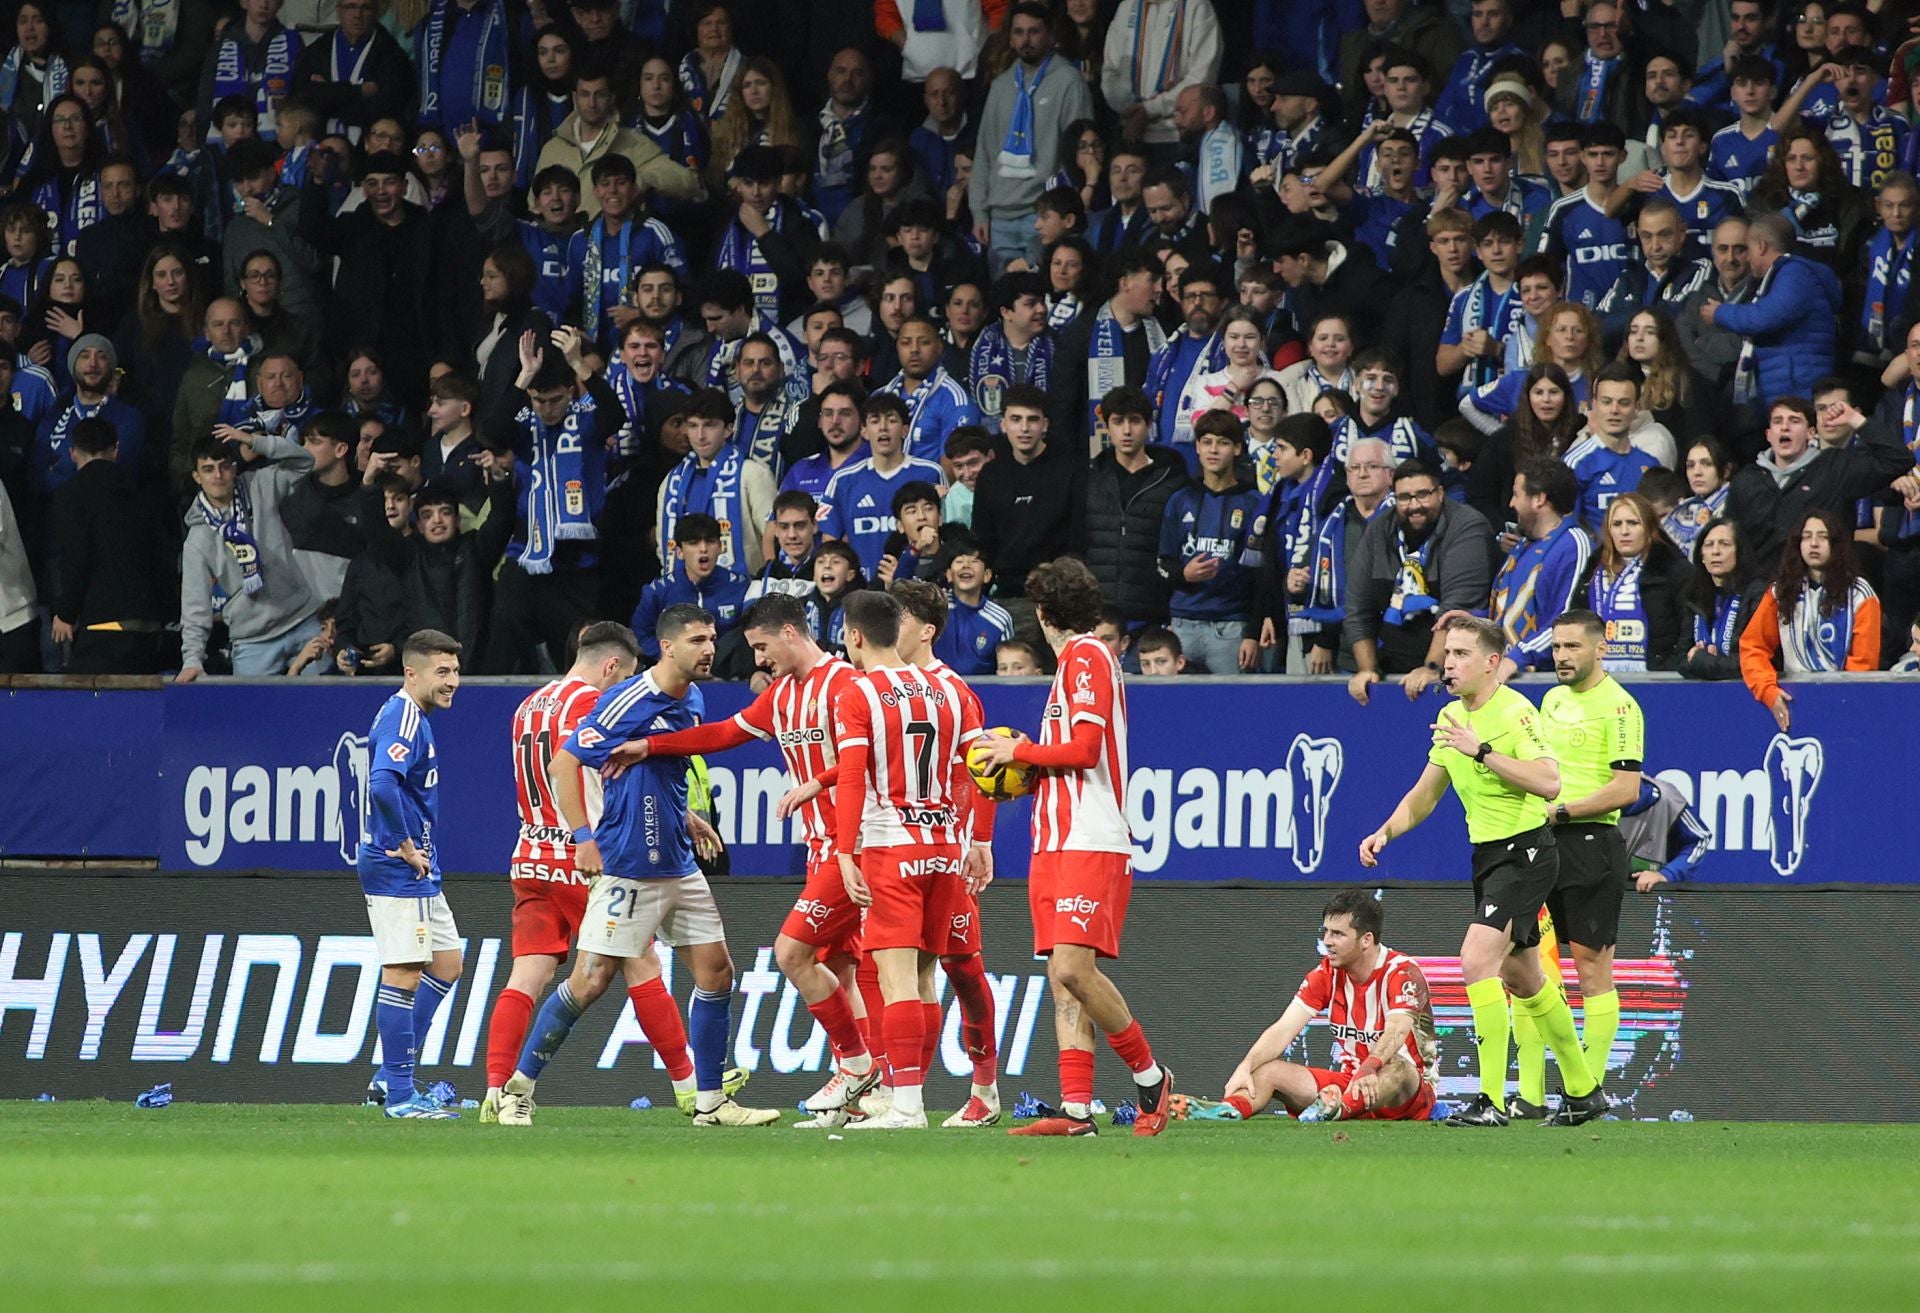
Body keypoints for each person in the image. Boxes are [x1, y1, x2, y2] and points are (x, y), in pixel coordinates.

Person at [604, 595, 885, 1122]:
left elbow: (866, 761)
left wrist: (815, 784)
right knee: (840, 969)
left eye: (760, 646)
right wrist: (653, 747)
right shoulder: (783, 696)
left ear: (789, 632)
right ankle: (867, 1096)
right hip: (821, 846)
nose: (756, 659)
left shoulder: (848, 685)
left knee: (792, 953)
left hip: (859, 844)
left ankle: (858, 1066)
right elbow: (724, 734)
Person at [497, 604, 778, 1128]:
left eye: (712, 638)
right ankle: (518, 1088)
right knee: (590, 980)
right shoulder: (624, 698)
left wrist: (688, 816)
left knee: (717, 972)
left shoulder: (692, 698)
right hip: (628, 866)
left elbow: (659, 768)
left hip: (679, 862)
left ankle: (711, 1102)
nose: (710, 649)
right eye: (697, 640)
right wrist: (583, 838)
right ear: (667, 646)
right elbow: (564, 764)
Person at [1357, 614, 1606, 1128]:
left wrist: (1483, 751)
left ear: (1492, 663)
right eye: (1447, 653)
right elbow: (1424, 796)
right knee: (1526, 978)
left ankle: (1492, 1101)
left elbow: (1549, 782)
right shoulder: (1453, 715)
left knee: (1475, 960)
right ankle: (1584, 1092)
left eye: (1462, 654)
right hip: (1489, 858)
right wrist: (1386, 831)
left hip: (1527, 853)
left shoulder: (1515, 712)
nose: (1449, 663)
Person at [972, 556, 1173, 1137]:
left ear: (1041, 614)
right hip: (1056, 837)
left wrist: (1020, 754)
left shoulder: (1086, 657)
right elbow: (1067, 757)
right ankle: (1077, 1109)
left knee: (1073, 968)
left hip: (1091, 837)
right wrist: (1029, 773)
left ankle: (1150, 1075)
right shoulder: (1072, 666)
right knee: (1061, 979)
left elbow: (1084, 750)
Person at [821, 590, 991, 1130]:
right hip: (944, 846)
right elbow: (981, 767)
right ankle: (910, 1099)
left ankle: (906, 1105)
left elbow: (851, 777)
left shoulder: (859, 693)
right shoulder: (949, 691)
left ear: (854, 636)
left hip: (892, 845)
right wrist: (978, 840)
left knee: (894, 981)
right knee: (923, 979)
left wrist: (845, 851)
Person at [483, 622, 666, 1118]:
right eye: (624, 678)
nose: (623, 690)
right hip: (582, 856)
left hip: (529, 853)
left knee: (527, 974)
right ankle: (695, 1085)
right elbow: (593, 771)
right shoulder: (589, 704)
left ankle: (497, 1090)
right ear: (611, 666)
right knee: (643, 962)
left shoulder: (528, 706)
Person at [1199, 890, 1436, 1123]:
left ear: (1366, 940)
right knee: (1268, 1070)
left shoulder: (1403, 973)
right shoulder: (1325, 974)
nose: (1327, 942)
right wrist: (1246, 1065)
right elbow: (1283, 1029)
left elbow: (1397, 1030)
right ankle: (1225, 1110)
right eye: (1326, 932)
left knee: (1400, 1068)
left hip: (1406, 1096)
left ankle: (1337, 1110)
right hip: (1351, 1085)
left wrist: (1370, 1068)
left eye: (1338, 934)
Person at [357, 629, 464, 1119]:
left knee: (446, 963)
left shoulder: (413, 716)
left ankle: (390, 1076)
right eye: (442, 672)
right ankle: (400, 1096)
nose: (452, 681)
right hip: (398, 864)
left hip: (419, 865)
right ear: (411, 673)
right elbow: (382, 784)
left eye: (456, 671)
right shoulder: (403, 715)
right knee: (403, 972)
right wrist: (402, 844)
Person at [1539, 608, 1647, 1092]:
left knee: (1590, 968)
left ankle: (1587, 1089)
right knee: (1529, 965)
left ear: (1601, 647)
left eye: (1572, 646)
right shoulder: (1550, 701)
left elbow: (1626, 789)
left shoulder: (1621, 707)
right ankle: (1533, 1093)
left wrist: (1563, 811)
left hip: (1591, 844)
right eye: (1557, 647)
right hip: (1540, 844)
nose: (1561, 656)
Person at [481, 327, 620, 674]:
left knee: (577, 645)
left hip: (577, 561)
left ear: (571, 393)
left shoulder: (587, 423)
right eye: (538, 400)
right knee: (506, 619)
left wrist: (577, 361)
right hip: (528, 550)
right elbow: (494, 431)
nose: (546, 409)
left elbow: (615, 415)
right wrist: (523, 375)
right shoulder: (525, 427)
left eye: (555, 399)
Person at [1345, 458, 1497, 698]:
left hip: (1456, 672)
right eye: (1404, 497)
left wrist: (1433, 668)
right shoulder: (1378, 530)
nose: (1414, 505)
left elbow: (1455, 610)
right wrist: (1367, 670)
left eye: (1423, 494)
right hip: (1393, 664)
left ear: (1440, 493)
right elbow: (1357, 608)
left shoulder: (1468, 527)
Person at [177, 431, 319, 680]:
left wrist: (256, 441)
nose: (218, 476)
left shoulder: (260, 485)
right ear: (197, 477)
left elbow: (304, 461)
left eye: (223, 467)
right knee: (255, 717)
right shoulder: (197, 539)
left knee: (324, 710)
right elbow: (194, 605)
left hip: (302, 621)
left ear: (234, 468)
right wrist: (192, 659)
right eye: (208, 469)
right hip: (252, 640)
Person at [47, 417, 173, 674]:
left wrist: (66, 613)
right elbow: (163, 557)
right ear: (115, 450)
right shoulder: (143, 495)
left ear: (72, 453)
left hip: (101, 630)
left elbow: (74, 557)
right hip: (149, 628)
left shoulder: (70, 495)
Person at [1739, 508, 1882, 729]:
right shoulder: (1781, 592)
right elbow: (1753, 646)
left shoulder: (1861, 594)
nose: (1813, 543)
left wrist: (1842, 702)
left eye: (1822, 537)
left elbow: (1864, 664)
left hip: (1846, 709)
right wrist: (1768, 690)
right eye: (1806, 537)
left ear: (1836, 544)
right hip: (1793, 705)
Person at [1726, 394, 1909, 563]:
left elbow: (1897, 460)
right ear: (1768, 435)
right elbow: (1730, 539)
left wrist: (1854, 419)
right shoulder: (1746, 481)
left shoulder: (1835, 467)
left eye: (1794, 420)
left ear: (1811, 433)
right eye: (1777, 421)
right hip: (1762, 590)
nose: (1785, 427)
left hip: (1827, 586)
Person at [1074, 384, 1187, 630]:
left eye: (1135, 421)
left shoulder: (1173, 481)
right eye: (1118, 421)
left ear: (1148, 426)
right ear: (1106, 426)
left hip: (1155, 614)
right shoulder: (1089, 479)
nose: (1126, 430)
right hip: (1098, 615)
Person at [970, 384, 1080, 633]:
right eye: (1016, 419)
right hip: (1006, 597)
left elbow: (1078, 538)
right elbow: (982, 540)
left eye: (1032, 420)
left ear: (1045, 425)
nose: (1024, 428)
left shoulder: (1070, 469)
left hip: (1058, 599)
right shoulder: (991, 475)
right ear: (1003, 425)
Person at [1157, 408, 1260, 673]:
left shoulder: (1254, 503)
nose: (1214, 450)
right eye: (1207, 442)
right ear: (1197, 448)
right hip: (1183, 622)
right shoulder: (1180, 500)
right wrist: (1184, 574)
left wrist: (1252, 631)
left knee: (1231, 709)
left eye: (1223, 442)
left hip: (1232, 625)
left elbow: (1262, 575)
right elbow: (1161, 562)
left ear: (1237, 449)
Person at [820, 393, 947, 573]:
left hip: (918, 586)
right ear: (864, 431)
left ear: (905, 430)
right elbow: (830, 540)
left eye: (891, 420)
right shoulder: (843, 480)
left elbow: (945, 532)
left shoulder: (930, 473)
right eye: (875, 421)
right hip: (862, 590)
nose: (883, 428)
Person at [655, 388, 776, 576]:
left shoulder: (752, 474)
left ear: (728, 429)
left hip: (744, 593)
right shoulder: (672, 482)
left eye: (709, 425)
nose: (700, 435)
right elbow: (665, 549)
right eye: (693, 426)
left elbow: (774, 538)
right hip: (685, 596)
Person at [1491, 457, 1592, 679]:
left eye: (1516, 494)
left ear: (1538, 499)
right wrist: (1472, 619)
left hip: (1546, 681)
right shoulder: (1522, 545)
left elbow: (1567, 621)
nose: (1511, 504)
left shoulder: (1573, 544)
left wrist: (1518, 657)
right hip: (1506, 675)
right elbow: (1506, 611)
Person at [1101, 0, 1223, 159]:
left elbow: (1202, 77)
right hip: (1128, 133)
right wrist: (1128, 108)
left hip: (1174, 136)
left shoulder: (1197, 6)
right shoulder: (1126, 7)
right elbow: (1110, 70)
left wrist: (1150, 109)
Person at [1562, 364, 1668, 532]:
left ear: (1637, 407)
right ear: (1594, 405)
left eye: (1624, 403)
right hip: (1596, 557)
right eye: (1606, 402)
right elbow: (1566, 530)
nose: (1614, 410)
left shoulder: (1650, 464)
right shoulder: (1575, 464)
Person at [1677, 515, 1764, 680]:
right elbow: (1681, 658)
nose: (1715, 551)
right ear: (1702, 556)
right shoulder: (1694, 595)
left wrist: (1704, 662)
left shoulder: (1756, 594)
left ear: (1739, 552)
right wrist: (1707, 664)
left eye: (1724, 544)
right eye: (1709, 545)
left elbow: (1752, 661)